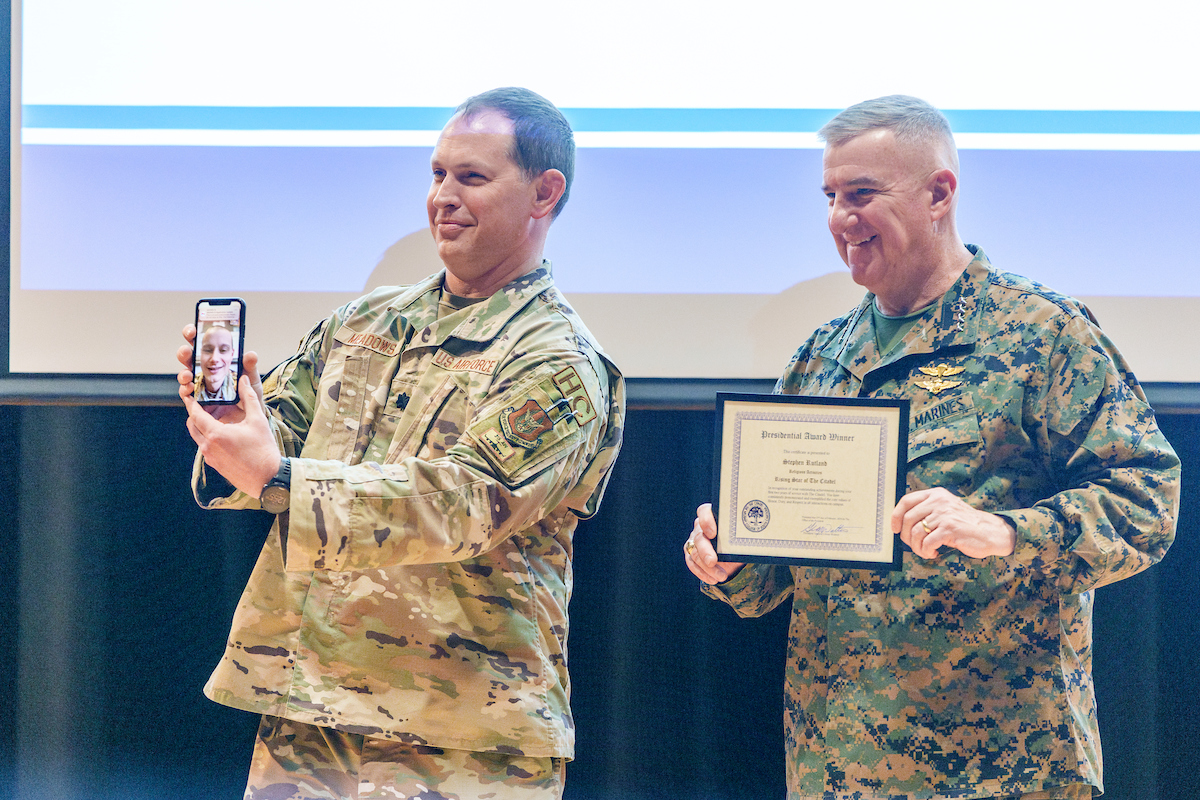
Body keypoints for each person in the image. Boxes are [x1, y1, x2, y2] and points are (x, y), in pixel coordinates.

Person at [683, 95, 1179, 800]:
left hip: (1002, 770)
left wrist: (1005, 531)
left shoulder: (1039, 333)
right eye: (829, 196)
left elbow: (1146, 500)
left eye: (862, 195)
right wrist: (729, 561)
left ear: (939, 192)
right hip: (835, 769)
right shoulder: (820, 357)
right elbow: (774, 584)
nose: (840, 219)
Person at [176, 87, 625, 800]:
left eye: (471, 178)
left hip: (461, 737)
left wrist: (280, 476)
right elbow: (273, 447)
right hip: (311, 716)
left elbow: (465, 502)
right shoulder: (365, 321)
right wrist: (233, 427)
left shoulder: (557, 363)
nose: (443, 197)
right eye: (437, 174)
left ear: (544, 193)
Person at [194, 323, 238, 402]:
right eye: (208, 350)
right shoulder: (189, 386)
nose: (214, 359)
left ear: (232, 355)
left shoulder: (242, 387)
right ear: (201, 353)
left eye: (223, 350)